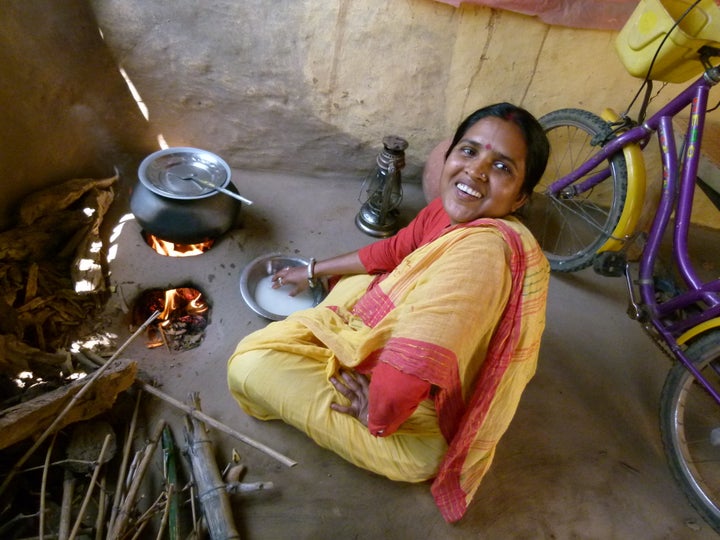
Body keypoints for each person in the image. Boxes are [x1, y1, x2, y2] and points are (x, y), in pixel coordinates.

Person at [227, 102, 551, 523]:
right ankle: (356, 360)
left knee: (249, 365)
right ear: (450, 155)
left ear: (520, 197)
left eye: (502, 167)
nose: (476, 171)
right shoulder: (445, 212)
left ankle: (366, 403)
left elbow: (407, 375)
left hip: (418, 429)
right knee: (373, 274)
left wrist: (375, 417)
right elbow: (395, 251)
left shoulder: (482, 254)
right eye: (469, 152)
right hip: (409, 375)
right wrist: (311, 270)